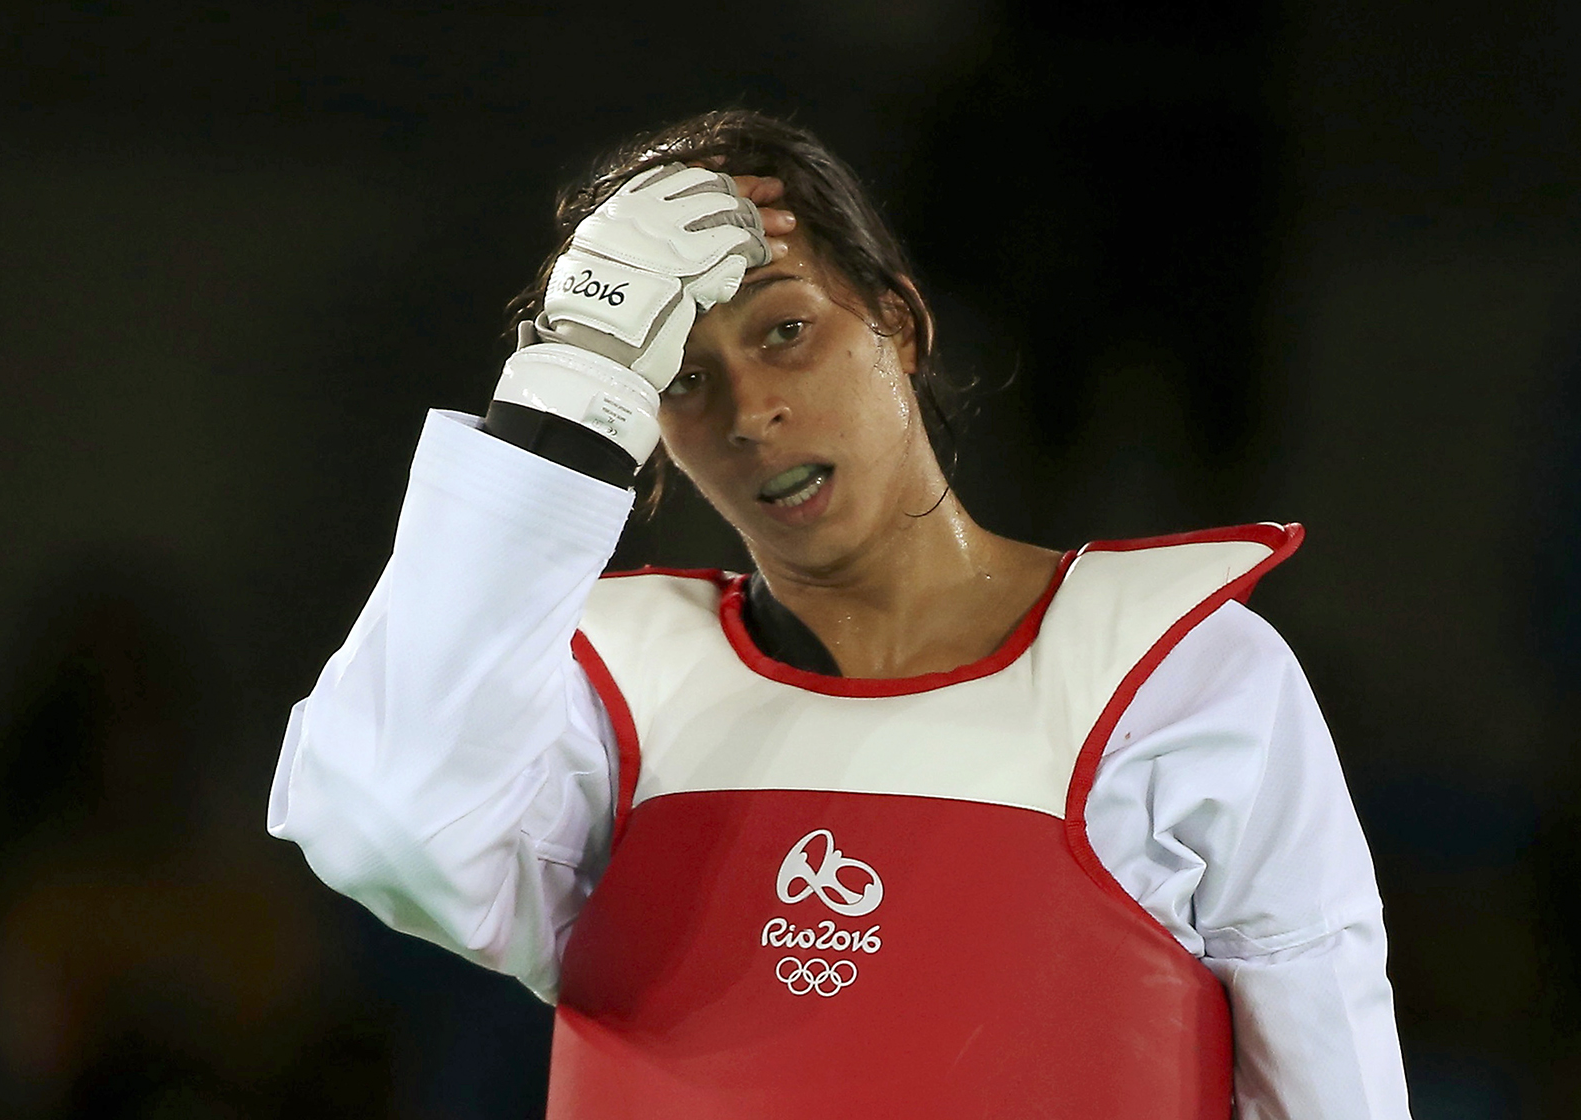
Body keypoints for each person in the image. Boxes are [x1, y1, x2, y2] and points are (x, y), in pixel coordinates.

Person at [268, 111, 1412, 1118]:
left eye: (783, 330)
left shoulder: (1184, 675)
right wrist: (570, 382)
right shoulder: (605, 696)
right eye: (679, 375)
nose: (752, 411)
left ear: (899, 326)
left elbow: (1332, 1086)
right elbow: (380, 826)